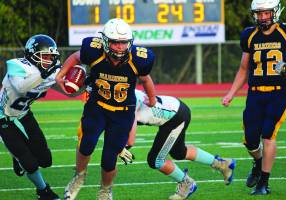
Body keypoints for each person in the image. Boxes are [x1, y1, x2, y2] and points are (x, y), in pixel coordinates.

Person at [55, 18, 156, 200]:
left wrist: (153, 99)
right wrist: (60, 75)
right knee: (86, 145)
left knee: (109, 160)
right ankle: (79, 177)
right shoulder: (94, 51)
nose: (119, 47)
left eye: (123, 42)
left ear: (130, 42)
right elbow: (76, 57)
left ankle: (105, 189)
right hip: (97, 107)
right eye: (115, 42)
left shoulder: (138, 59)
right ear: (105, 41)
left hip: (123, 113)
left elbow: (146, 79)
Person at [222, 0, 286, 195]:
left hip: (278, 93)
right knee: (249, 140)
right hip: (255, 93)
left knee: (268, 135)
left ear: (275, 12)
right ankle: (258, 163)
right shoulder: (249, 34)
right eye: (259, 13)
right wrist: (231, 93)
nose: (263, 17)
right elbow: (243, 68)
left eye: (266, 13)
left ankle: (263, 183)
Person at [118, 89, 236, 200]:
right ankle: (222, 164)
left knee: (156, 160)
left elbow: (130, 140)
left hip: (175, 117)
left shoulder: (129, 103)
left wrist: (120, 149)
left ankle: (187, 183)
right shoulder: (126, 93)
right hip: (175, 109)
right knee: (179, 152)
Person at [0, 34, 62, 199]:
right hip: (3, 118)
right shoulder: (17, 65)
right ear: (32, 54)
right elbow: (21, 88)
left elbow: (69, 84)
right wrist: (44, 72)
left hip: (25, 114)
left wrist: (83, 79)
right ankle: (43, 191)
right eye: (45, 56)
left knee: (46, 160)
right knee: (29, 163)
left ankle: (18, 156)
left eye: (51, 57)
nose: (49, 60)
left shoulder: (51, 70)